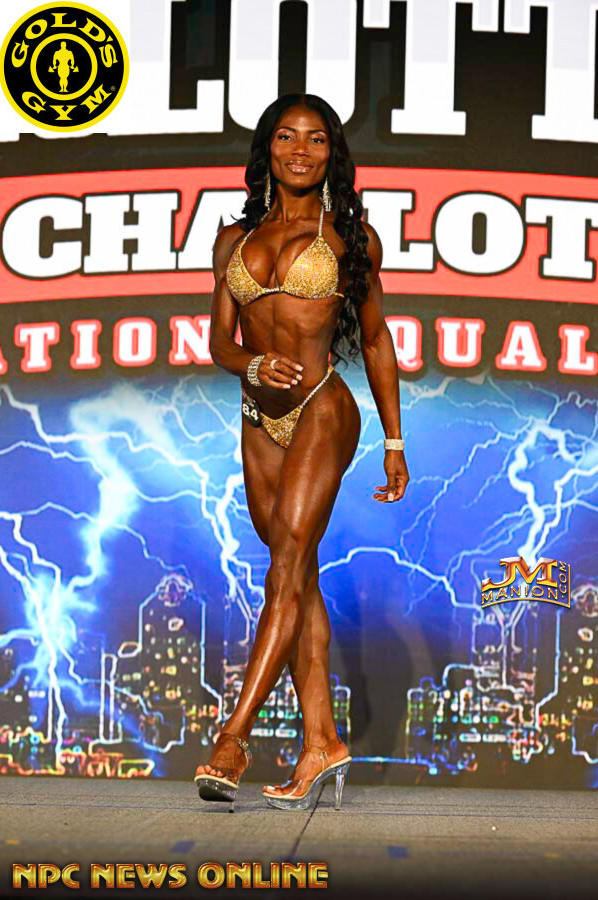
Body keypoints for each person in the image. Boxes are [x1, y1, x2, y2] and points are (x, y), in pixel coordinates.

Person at [194, 92, 409, 811]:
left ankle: (234, 737)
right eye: (286, 136)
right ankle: (322, 743)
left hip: (322, 407)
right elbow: (221, 343)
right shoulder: (232, 239)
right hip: (260, 417)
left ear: (332, 154)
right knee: (300, 580)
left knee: (285, 568)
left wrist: (394, 441)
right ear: (267, 148)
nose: (300, 150)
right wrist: (250, 365)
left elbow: (374, 339)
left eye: (316, 139)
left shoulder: (352, 236)